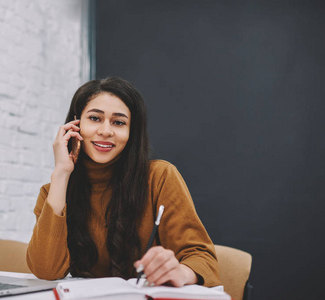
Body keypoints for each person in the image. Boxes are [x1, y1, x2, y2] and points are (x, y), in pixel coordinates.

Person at [26, 77, 221, 287]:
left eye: (119, 122)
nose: (106, 131)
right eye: (94, 118)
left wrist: (181, 272)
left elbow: (204, 260)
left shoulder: (159, 177)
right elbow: (46, 270)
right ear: (75, 124)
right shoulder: (55, 191)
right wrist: (61, 173)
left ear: (131, 132)